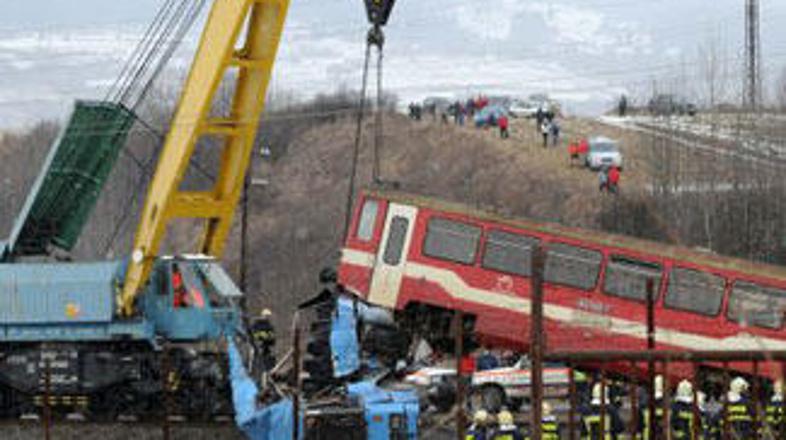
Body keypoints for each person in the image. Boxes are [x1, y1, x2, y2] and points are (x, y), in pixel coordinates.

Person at [250, 308, 276, 379]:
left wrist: (265, 337)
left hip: (266, 348)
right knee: (255, 364)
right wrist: (263, 336)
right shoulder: (256, 324)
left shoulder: (269, 326)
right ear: (263, 316)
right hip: (256, 347)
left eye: (268, 316)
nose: (267, 318)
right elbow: (253, 335)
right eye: (266, 316)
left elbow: (272, 338)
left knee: (267, 365)